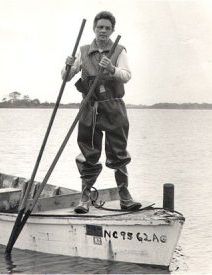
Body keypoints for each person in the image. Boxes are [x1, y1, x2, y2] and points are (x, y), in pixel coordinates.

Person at [62, 11, 142, 213]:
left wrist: (112, 69)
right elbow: (67, 77)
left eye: (107, 28)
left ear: (112, 30)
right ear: (94, 29)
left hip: (114, 107)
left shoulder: (119, 50)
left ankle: (125, 197)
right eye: (100, 27)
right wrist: (68, 66)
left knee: (118, 152)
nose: (104, 31)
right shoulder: (84, 50)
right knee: (89, 152)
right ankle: (84, 199)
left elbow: (126, 76)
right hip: (90, 108)